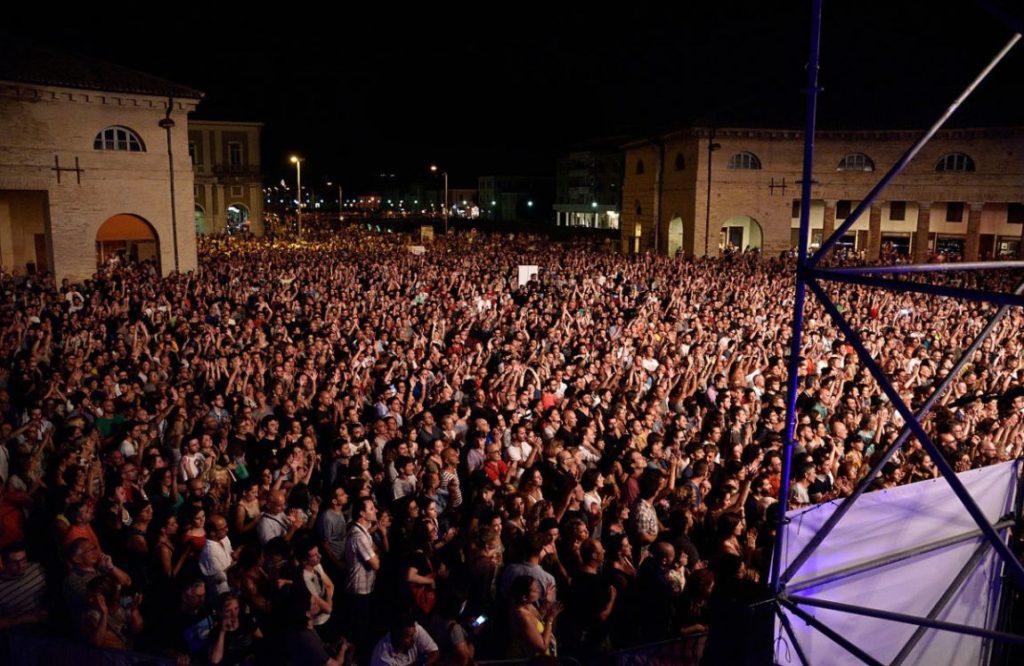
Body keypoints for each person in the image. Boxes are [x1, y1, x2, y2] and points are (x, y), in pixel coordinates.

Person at [505, 575, 561, 659]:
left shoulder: (528, 606)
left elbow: (538, 620)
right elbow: (542, 646)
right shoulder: (523, 617)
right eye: (535, 590)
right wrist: (550, 619)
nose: (539, 591)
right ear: (524, 597)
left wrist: (546, 602)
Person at [0, 542, 48, 629]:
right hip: (21, 630)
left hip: (48, 620)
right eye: (14, 563)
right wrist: (23, 619)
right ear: (4, 563)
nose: (20, 566)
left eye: (23, 560)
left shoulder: (37, 568)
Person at [369, 612, 439, 666]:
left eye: (413, 635)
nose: (413, 640)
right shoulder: (381, 658)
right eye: (408, 637)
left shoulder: (415, 630)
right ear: (397, 636)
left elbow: (434, 653)